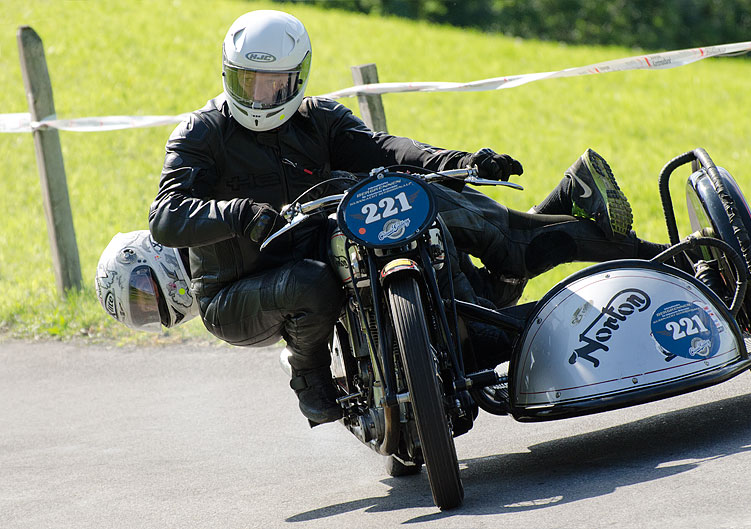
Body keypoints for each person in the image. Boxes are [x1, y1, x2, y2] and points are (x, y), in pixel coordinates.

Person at [147, 10, 668, 426]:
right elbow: (165, 215)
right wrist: (240, 214)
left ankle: (662, 262)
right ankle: (310, 379)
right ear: (228, 75)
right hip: (238, 288)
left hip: (324, 243)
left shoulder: (320, 119)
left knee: (424, 210)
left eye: (274, 84)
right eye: (249, 82)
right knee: (312, 283)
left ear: (298, 78)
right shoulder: (201, 133)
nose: (261, 97)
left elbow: (384, 148)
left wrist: (457, 161)